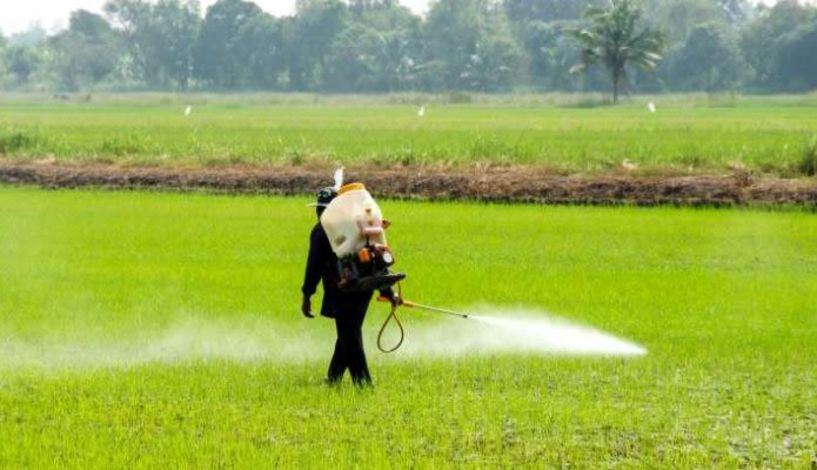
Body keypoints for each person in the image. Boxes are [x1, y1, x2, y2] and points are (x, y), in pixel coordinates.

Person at [301, 186, 398, 387]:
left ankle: (364, 385)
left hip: (342, 290)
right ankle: (333, 379)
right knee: (348, 335)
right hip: (364, 289)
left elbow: (314, 266)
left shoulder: (321, 231)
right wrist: (387, 291)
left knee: (350, 338)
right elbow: (375, 263)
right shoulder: (356, 225)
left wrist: (307, 295)